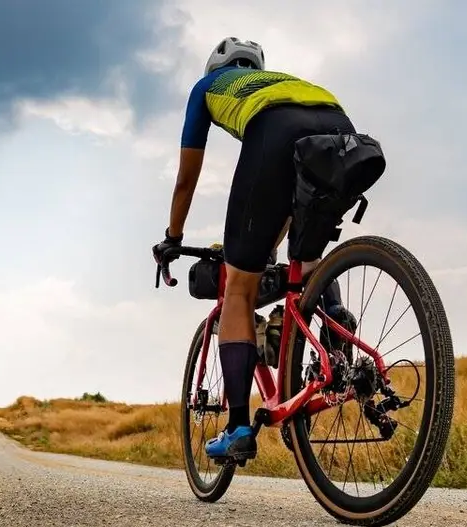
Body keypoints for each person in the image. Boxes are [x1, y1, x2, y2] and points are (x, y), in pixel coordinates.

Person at [152, 36, 357, 463]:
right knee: (309, 263)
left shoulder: (207, 87)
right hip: (341, 130)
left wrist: (172, 238)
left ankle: (238, 427)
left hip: (276, 134)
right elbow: (281, 209)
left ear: (216, 67)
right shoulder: (281, 81)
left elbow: (186, 179)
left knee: (239, 291)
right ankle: (340, 355)